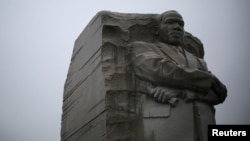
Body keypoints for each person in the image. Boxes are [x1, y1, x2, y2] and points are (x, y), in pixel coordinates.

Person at [129, 10, 227, 141]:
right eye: (170, 22)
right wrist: (210, 79)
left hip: (204, 127)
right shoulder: (142, 48)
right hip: (166, 128)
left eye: (181, 24)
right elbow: (160, 70)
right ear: (156, 30)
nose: (177, 27)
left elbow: (219, 94)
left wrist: (182, 92)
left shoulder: (198, 61)